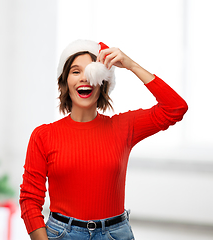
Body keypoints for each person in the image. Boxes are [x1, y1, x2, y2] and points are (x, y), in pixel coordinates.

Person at [19, 39, 188, 240]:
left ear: (103, 82)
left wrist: (131, 65)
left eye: (91, 71)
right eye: (76, 71)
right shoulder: (43, 135)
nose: (84, 78)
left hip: (115, 234)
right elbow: (30, 200)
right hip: (62, 233)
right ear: (64, 82)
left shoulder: (124, 127)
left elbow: (175, 108)